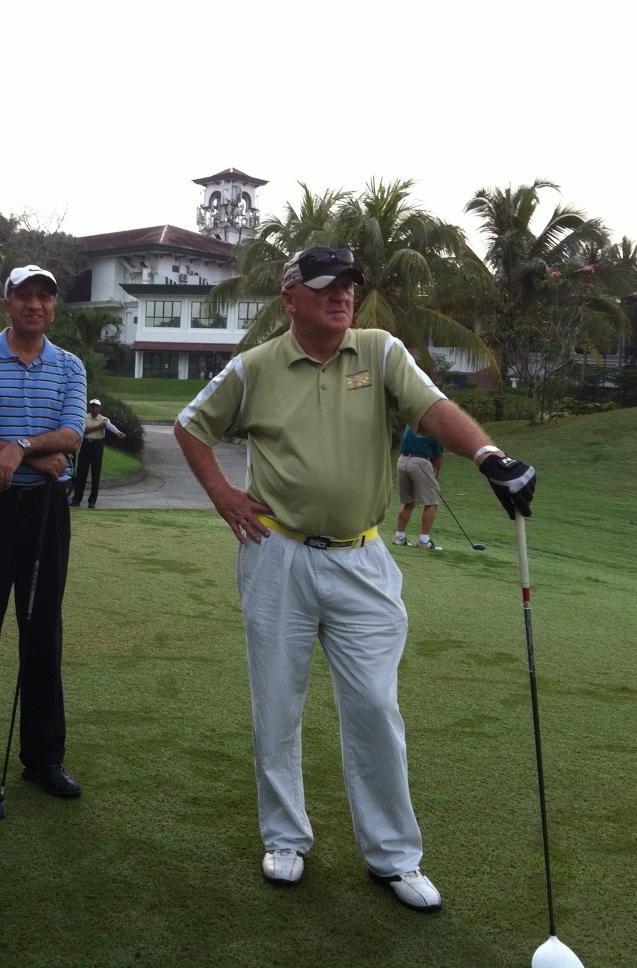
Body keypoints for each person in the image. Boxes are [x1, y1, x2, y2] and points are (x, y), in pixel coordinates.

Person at [174, 246, 535, 913]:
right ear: (290, 299)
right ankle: (285, 838)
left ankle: (393, 856)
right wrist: (223, 495)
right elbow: (191, 426)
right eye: (325, 286)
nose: (342, 295)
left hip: (362, 558)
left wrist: (489, 455)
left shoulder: (380, 350)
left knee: (374, 704)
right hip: (277, 553)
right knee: (277, 704)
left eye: (348, 285)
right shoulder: (253, 368)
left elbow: (431, 409)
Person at [0, 265, 87, 799]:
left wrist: (18, 448)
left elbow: (72, 435)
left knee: (43, 632)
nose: (34, 304)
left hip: (44, 512)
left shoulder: (68, 365)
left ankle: (44, 757)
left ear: (53, 307)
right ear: (6, 303)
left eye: (44, 296)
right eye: (24, 295)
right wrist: (31, 453)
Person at [393, 425, 444, 550]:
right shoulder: (436, 428)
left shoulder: (411, 423)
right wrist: (435, 478)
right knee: (431, 502)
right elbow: (438, 458)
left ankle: (399, 538)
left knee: (409, 502)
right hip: (420, 462)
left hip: (403, 461)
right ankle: (424, 541)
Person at [70, 397, 127, 509]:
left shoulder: (103, 419)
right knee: (81, 473)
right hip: (86, 444)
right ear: (89, 407)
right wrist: (99, 426)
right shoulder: (85, 418)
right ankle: (77, 499)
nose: (94, 408)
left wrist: (118, 432)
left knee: (96, 474)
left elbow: (110, 426)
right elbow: (84, 430)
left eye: (96, 406)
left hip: (97, 445)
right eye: (92, 406)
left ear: (99, 408)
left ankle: (92, 501)